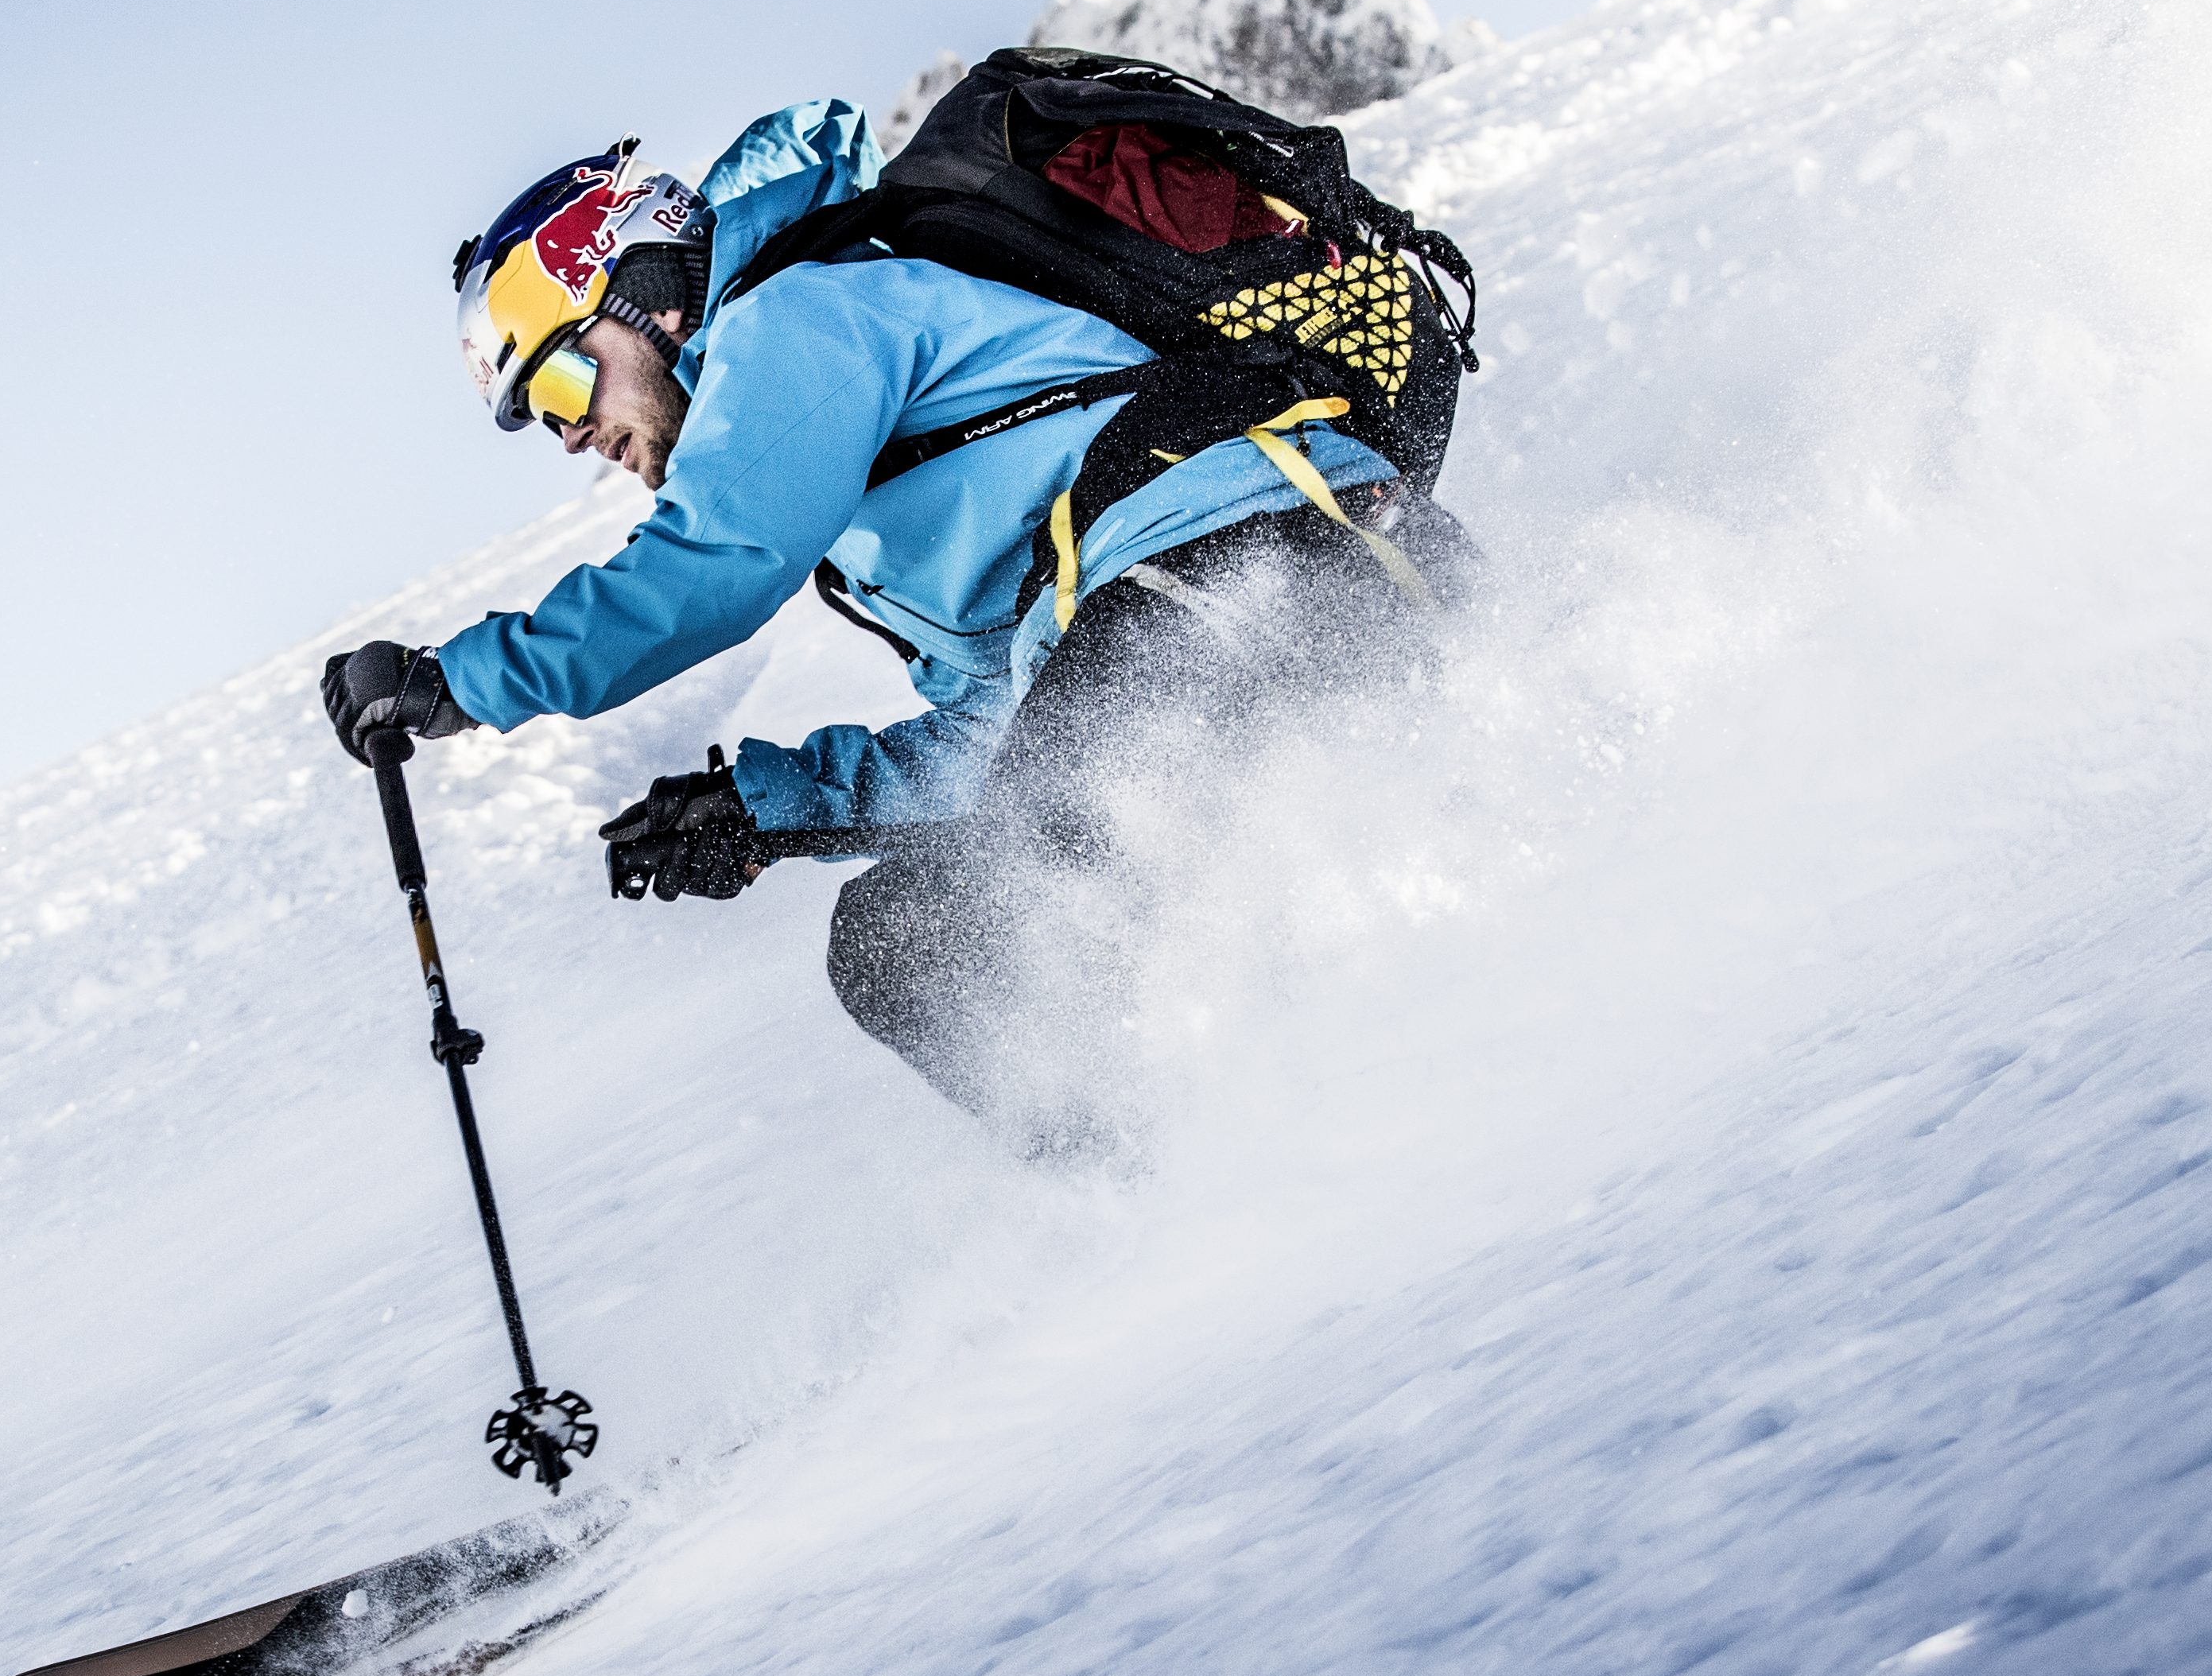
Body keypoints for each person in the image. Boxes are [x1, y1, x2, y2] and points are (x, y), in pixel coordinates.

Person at [324, 95, 1471, 1146]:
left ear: (652, 299)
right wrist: (766, 805)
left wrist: (459, 683)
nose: (574, 437)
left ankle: (1213, 1177)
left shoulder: (800, 315)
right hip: (1213, 605)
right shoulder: (885, 500)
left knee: (1041, 893)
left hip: (1264, 548)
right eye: (543, 422)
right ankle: (1175, 1199)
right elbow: (1008, 731)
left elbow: (712, 567)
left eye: (569, 387)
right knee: (905, 940)